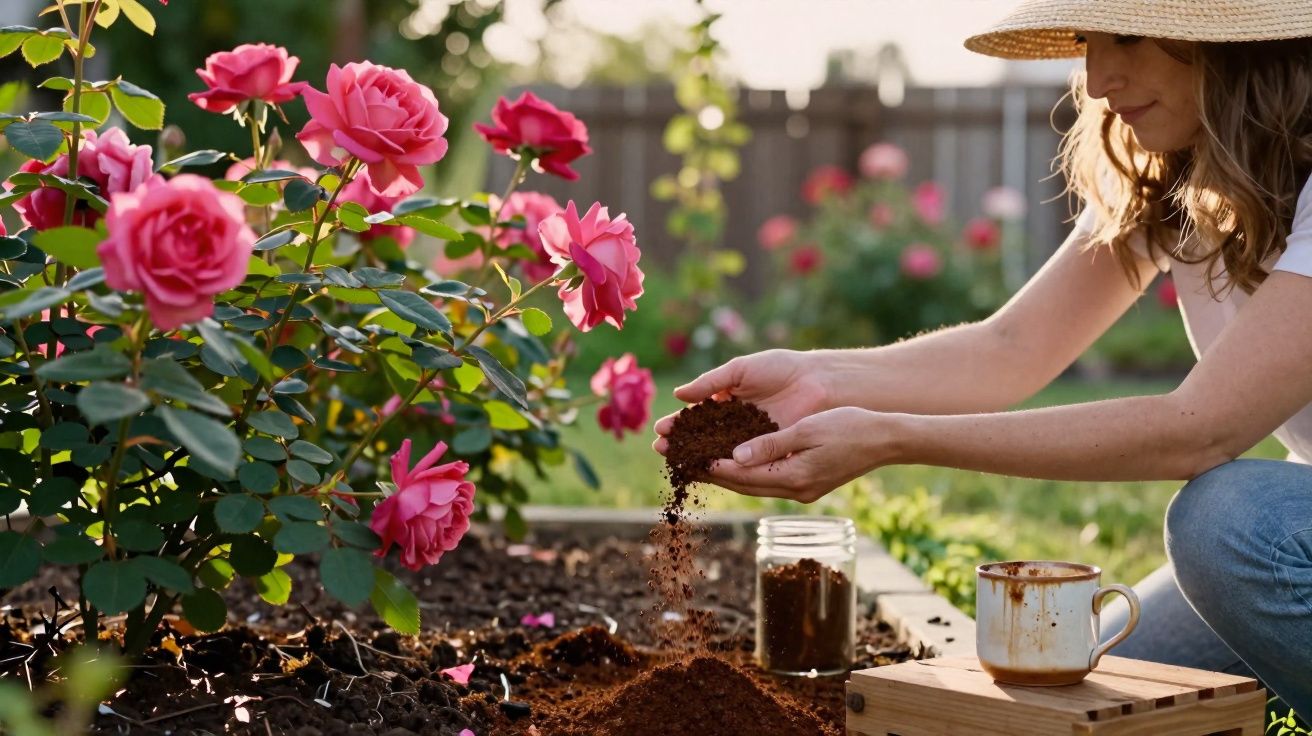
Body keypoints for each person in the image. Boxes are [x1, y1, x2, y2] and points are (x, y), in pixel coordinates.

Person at [653, 0, 1312, 718]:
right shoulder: (1175, 175)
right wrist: (820, 379)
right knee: (1071, 690)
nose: (1095, 80)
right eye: (1089, 41)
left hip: (1276, 524)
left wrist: (891, 437)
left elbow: (1199, 428)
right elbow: (1011, 349)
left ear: (1239, 44)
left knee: (1225, 522)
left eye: (1128, 37)